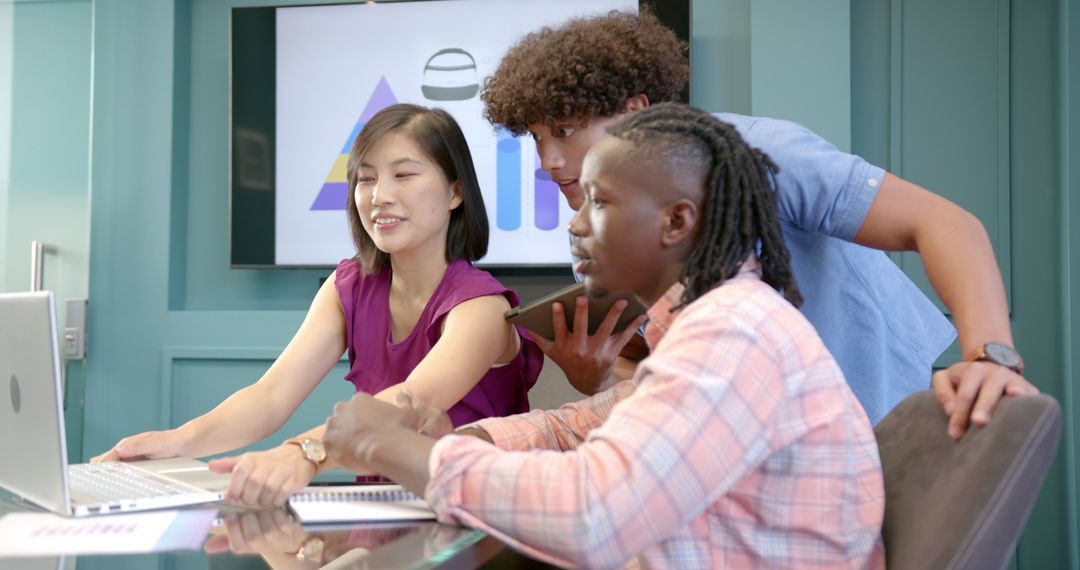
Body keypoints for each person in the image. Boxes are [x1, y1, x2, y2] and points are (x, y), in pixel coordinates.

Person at [321, 103, 886, 569]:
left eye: (601, 202)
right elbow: (578, 426)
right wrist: (463, 444)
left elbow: (593, 514)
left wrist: (392, 448)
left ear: (676, 222)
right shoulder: (709, 326)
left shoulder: (733, 335)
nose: (576, 224)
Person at [480, 9, 1035, 433]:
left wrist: (990, 358)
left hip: (876, 414)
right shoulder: (597, 230)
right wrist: (593, 374)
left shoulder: (760, 153)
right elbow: (648, 371)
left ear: (635, 110)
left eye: (567, 129)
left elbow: (947, 224)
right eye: (536, 137)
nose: (548, 160)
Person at [92, 103, 542, 507]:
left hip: (478, 524)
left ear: (455, 193)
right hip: (381, 517)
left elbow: (409, 403)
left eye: (404, 175)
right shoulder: (348, 285)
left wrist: (302, 454)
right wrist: (177, 441)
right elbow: (271, 397)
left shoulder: (480, 306)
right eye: (366, 178)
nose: (379, 195)